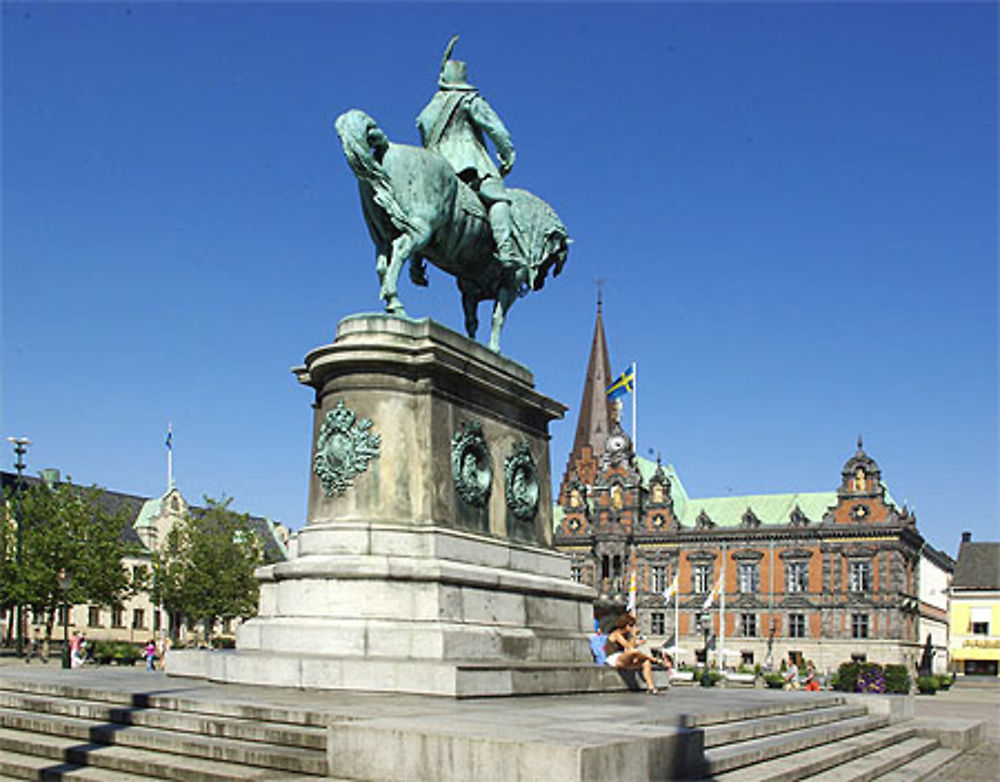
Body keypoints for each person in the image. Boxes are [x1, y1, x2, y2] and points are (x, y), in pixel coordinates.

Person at [416, 36, 519, 279]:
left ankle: (415, 264)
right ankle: (505, 251)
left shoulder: (430, 108)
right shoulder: (468, 99)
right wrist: (507, 153)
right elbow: (496, 129)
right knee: (498, 199)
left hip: (434, 165)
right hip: (466, 162)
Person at [604, 613, 659, 694]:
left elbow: (631, 647)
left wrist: (637, 641)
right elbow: (630, 648)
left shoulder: (625, 635)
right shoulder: (616, 634)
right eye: (631, 625)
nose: (632, 628)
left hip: (623, 659)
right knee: (634, 652)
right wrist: (633, 636)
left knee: (646, 663)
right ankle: (653, 659)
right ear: (626, 625)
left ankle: (650, 687)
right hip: (613, 659)